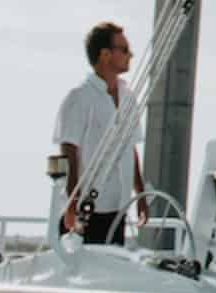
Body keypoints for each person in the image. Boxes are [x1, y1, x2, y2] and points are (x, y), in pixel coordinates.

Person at [54, 22, 147, 246]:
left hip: (118, 210)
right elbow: (69, 151)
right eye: (124, 50)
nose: (130, 55)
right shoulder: (80, 98)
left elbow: (130, 148)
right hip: (86, 210)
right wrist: (72, 202)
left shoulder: (128, 98)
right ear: (106, 55)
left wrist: (141, 196)